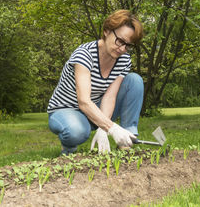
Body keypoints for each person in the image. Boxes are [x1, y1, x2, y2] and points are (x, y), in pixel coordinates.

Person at [47, 9, 144, 154]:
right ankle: (68, 147)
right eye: (120, 41)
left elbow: (110, 96)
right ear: (107, 31)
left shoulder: (124, 59)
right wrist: (111, 127)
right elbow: (84, 102)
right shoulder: (84, 55)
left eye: (128, 45)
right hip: (67, 109)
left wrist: (103, 128)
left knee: (134, 81)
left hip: (95, 107)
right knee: (76, 131)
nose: (122, 48)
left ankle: (126, 141)